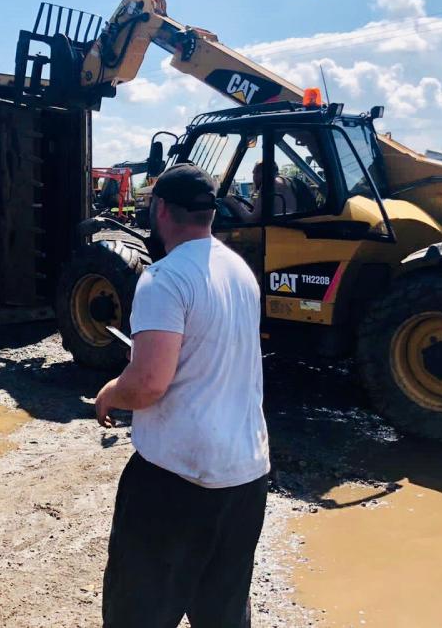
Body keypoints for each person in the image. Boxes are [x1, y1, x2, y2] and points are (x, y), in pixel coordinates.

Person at [94, 163, 271, 628]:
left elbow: (149, 383)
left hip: (177, 480)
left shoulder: (165, 279)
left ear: (162, 211)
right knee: (223, 612)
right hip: (246, 476)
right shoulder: (240, 271)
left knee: (139, 611)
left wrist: (112, 392)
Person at [223, 159, 297, 220]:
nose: (254, 177)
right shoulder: (293, 182)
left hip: (277, 233)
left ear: (262, 171)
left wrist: (233, 203)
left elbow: (252, 220)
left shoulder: (269, 185)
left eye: (255, 173)